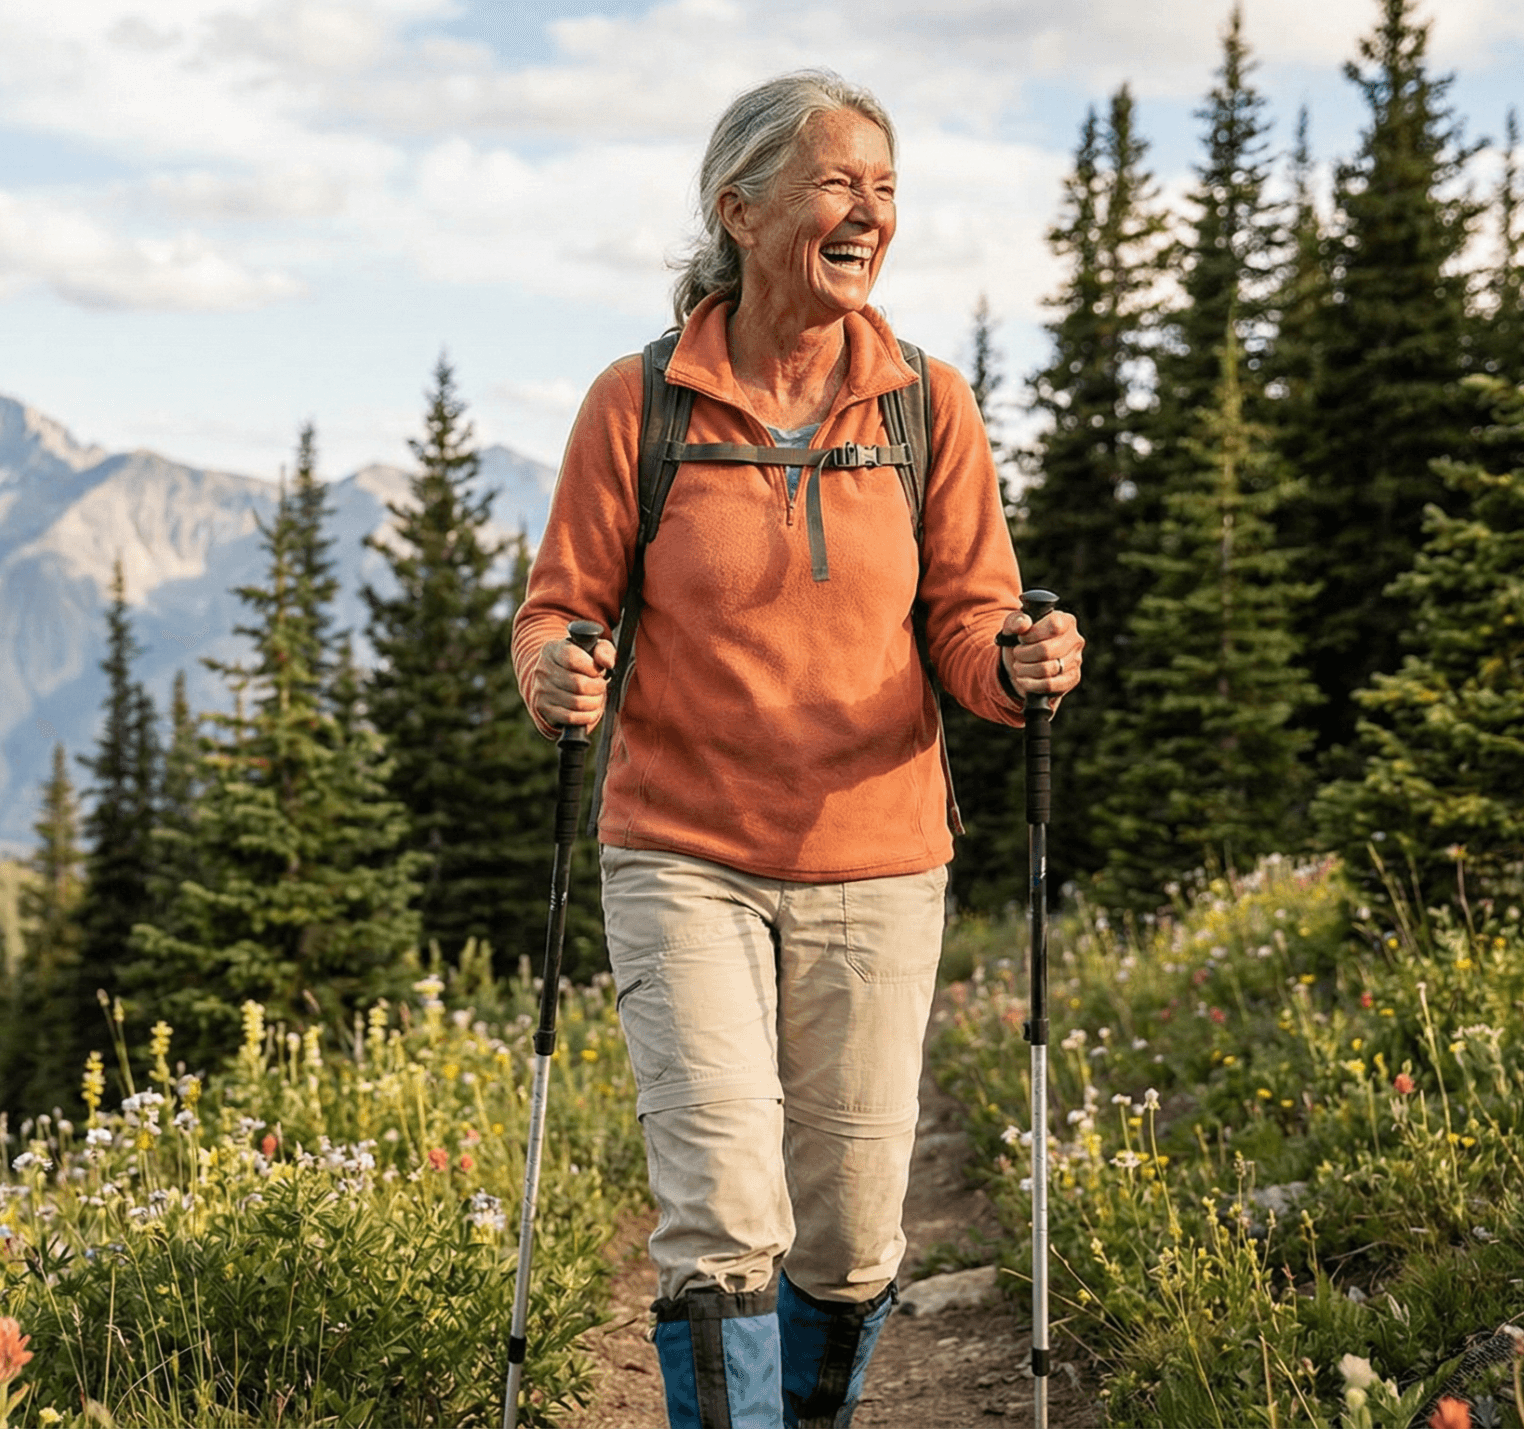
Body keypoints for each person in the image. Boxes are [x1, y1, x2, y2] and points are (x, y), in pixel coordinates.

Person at [512, 70, 1084, 1429]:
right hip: (680, 854)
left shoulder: (924, 408)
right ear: (741, 207)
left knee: (848, 1237)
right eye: (838, 182)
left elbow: (967, 619)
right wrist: (558, 675)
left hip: (879, 859)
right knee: (722, 1217)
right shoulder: (637, 404)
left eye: (884, 190)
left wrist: (1014, 666)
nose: (867, 212)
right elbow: (560, 608)